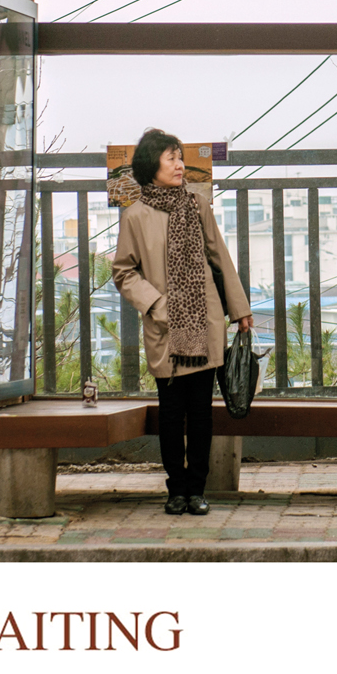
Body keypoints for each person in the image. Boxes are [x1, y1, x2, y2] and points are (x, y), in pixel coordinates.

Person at [113, 128, 252, 516]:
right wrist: (156, 304)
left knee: (203, 413)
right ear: (151, 166)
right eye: (172, 158)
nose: (179, 165)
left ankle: (197, 489)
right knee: (172, 413)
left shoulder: (198, 204)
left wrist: (239, 310)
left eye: (180, 158)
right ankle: (175, 489)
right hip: (165, 328)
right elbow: (124, 272)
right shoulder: (135, 216)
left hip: (204, 322)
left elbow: (219, 258)